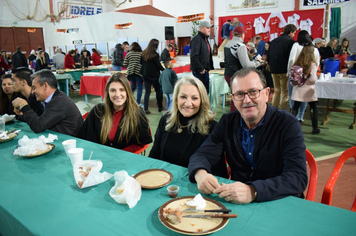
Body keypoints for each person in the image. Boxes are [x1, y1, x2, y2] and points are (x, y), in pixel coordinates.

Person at [188, 68, 308, 204]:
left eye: (253, 92)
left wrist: (253, 191)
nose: (247, 100)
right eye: (239, 94)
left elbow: (297, 178)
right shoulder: (227, 122)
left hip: (279, 200)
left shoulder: (288, 124)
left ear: (267, 93)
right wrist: (200, 174)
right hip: (237, 201)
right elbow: (202, 154)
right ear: (232, 99)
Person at [149, 77, 228, 178]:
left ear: (202, 101)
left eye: (194, 98)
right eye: (183, 97)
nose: (188, 103)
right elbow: (155, 154)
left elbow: (219, 170)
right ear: (176, 99)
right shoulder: (165, 120)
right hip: (163, 180)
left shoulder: (212, 127)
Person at [77, 73, 152, 152]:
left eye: (122, 90)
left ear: (128, 92)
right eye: (113, 90)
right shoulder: (97, 111)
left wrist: (117, 155)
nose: (117, 94)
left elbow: (142, 142)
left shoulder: (137, 113)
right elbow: (84, 138)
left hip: (124, 159)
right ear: (108, 93)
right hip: (97, 158)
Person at [10, 70, 83, 135]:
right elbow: (39, 119)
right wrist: (24, 113)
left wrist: (24, 106)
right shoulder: (49, 100)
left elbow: (38, 126)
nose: (32, 92)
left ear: (45, 86)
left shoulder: (60, 102)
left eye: (34, 88)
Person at [224, 26, 261, 112]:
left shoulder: (227, 44)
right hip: (237, 76)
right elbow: (246, 65)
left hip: (228, 74)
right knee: (238, 98)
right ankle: (235, 118)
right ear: (242, 34)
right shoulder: (241, 46)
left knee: (235, 97)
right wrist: (258, 63)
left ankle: (233, 117)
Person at [287, 30, 320, 122]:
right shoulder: (315, 49)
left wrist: (290, 73)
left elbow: (291, 60)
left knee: (292, 95)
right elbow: (316, 64)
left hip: (296, 75)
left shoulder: (296, 45)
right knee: (305, 98)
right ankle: (300, 116)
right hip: (309, 77)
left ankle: (293, 116)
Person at [291, 43, 320, 135]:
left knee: (295, 107)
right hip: (309, 89)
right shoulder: (313, 64)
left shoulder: (297, 62)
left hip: (298, 88)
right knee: (313, 107)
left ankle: (289, 126)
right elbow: (313, 79)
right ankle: (315, 128)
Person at [267, 24, 297, 110]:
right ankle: (282, 111)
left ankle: (274, 109)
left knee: (276, 90)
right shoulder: (290, 42)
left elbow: (268, 55)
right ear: (290, 32)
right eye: (294, 33)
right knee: (284, 92)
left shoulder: (273, 41)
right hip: (284, 69)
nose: (294, 35)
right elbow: (291, 57)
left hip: (273, 69)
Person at [141, 38, 165, 114]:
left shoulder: (143, 53)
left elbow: (141, 63)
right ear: (155, 46)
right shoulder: (155, 55)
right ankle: (160, 107)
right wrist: (165, 70)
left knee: (147, 92)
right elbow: (158, 65)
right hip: (154, 76)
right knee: (159, 91)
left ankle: (146, 108)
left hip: (145, 75)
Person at [190, 21, 214, 94]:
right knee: (200, 93)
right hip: (199, 72)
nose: (209, 30)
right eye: (207, 28)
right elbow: (194, 56)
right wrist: (201, 69)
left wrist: (208, 69)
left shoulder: (205, 40)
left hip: (204, 71)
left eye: (209, 28)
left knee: (205, 93)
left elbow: (207, 55)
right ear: (201, 29)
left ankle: (204, 105)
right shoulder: (197, 39)